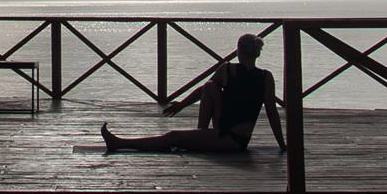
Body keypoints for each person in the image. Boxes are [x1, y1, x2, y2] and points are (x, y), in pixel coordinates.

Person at [100, 33, 286, 154]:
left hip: (231, 139)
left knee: (173, 136)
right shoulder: (264, 76)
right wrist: (282, 144)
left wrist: (181, 105)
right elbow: (272, 112)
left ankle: (119, 143)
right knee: (210, 87)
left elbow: (271, 112)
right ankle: (200, 135)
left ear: (239, 51)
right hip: (228, 132)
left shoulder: (229, 70)